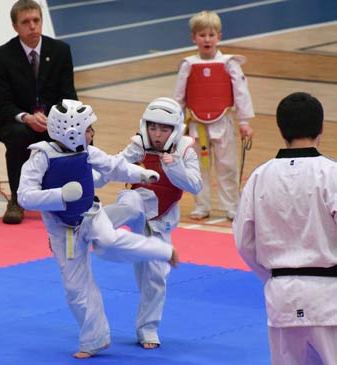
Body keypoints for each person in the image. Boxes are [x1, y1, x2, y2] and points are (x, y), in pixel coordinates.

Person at [17, 99, 179, 359]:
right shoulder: (40, 157)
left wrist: (140, 175)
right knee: (75, 288)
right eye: (89, 129)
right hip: (62, 230)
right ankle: (95, 339)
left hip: (91, 214)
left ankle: (160, 250)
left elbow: (114, 166)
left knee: (108, 243)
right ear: (71, 130)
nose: (92, 134)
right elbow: (24, 197)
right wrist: (60, 195)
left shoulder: (87, 152)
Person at [233, 92, 337, 365]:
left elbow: (244, 241)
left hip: (281, 294)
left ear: (281, 130)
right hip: (329, 296)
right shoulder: (331, 174)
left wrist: (273, 276)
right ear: (322, 127)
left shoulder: (260, 176)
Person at [100, 97, 202, 348]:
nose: (156, 134)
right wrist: (90, 177)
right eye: (153, 127)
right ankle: (90, 223)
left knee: (155, 279)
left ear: (175, 129)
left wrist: (174, 165)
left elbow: (195, 185)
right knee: (133, 201)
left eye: (164, 129)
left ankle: (147, 330)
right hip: (135, 209)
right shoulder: (138, 144)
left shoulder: (185, 149)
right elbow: (114, 167)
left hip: (160, 221)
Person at [0, 0, 77, 224]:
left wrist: (55, 119)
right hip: (16, 120)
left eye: (36, 21)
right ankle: (17, 200)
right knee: (18, 135)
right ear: (15, 26)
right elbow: (1, 103)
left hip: (51, 119)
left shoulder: (60, 51)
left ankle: (72, 194)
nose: (33, 27)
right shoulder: (1, 56)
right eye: (26, 22)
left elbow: (68, 96)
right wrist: (26, 117)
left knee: (80, 134)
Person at [174, 10, 254, 221]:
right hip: (196, 124)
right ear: (194, 38)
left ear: (219, 36)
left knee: (227, 165)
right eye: (202, 35)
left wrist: (244, 122)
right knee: (198, 166)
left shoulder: (230, 64)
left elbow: (241, 93)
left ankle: (232, 206)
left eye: (211, 35)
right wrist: (175, 125)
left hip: (223, 121)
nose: (207, 39)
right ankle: (202, 205)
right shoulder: (188, 65)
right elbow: (179, 97)